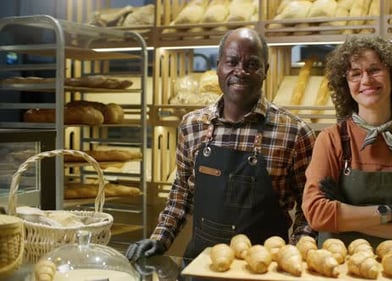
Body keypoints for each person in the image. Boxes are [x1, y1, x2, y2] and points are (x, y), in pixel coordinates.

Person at [126, 28, 316, 264]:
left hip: (264, 271)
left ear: (265, 71)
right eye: (232, 62)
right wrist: (160, 238)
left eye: (252, 64)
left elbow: (310, 208)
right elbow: (182, 193)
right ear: (218, 67)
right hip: (201, 267)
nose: (241, 71)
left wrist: (294, 254)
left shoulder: (295, 132)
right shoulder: (192, 125)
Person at [301, 35, 392, 253]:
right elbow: (318, 215)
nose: (366, 80)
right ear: (345, 85)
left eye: (374, 70)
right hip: (335, 267)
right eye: (355, 74)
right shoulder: (331, 140)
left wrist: (346, 214)